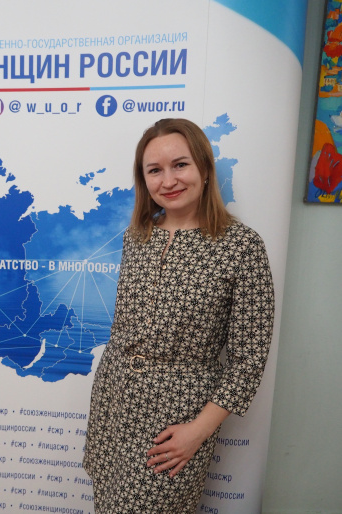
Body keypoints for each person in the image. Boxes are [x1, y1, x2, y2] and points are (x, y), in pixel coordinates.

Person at [83, 118, 274, 513]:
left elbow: (248, 360)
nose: (168, 180)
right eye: (154, 170)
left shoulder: (242, 247)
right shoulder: (137, 237)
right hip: (114, 403)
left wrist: (197, 432)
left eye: (180, 165)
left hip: (176, 418)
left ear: (204, 169)